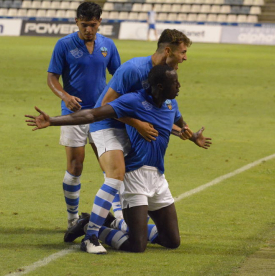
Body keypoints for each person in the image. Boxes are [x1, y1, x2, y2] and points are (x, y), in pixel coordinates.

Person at [26, 65, 211, 253]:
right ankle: (87, 228)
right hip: (135, 178)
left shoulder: (172, 104)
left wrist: (192, 136)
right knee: (136, 245)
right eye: (174, 82)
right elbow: (93, 113)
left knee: (172, 241)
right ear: (160, 86)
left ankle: (109, 222)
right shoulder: (133, 101)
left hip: (158, 179)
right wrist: (53, 121)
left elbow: (174, 124)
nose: (179, 85)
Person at [75, 29, 209, 254]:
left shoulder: (165, 74)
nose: (185, 57)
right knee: (117, 176)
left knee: (168, 237)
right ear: (168, 50)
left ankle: (112, 223)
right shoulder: (134, 69)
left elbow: (161, 115)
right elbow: (103, 108)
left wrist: (187, 133)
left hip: (129, 127)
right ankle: (91, 234)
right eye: (183, 52)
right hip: (107, 124)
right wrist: (136, 124)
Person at [46, 1, 121, 230]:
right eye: (84, 25)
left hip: (101, 114)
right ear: (76, 21)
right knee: (76, 165)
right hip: (73, 114)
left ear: (100, 23)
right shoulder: (64, 45)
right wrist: (64, 96)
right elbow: (52, 78)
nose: (88, 29)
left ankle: (120, 216)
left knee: (111, 167)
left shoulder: (108, 45)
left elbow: (118, 75)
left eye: (93, 25)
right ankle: (72, 218)